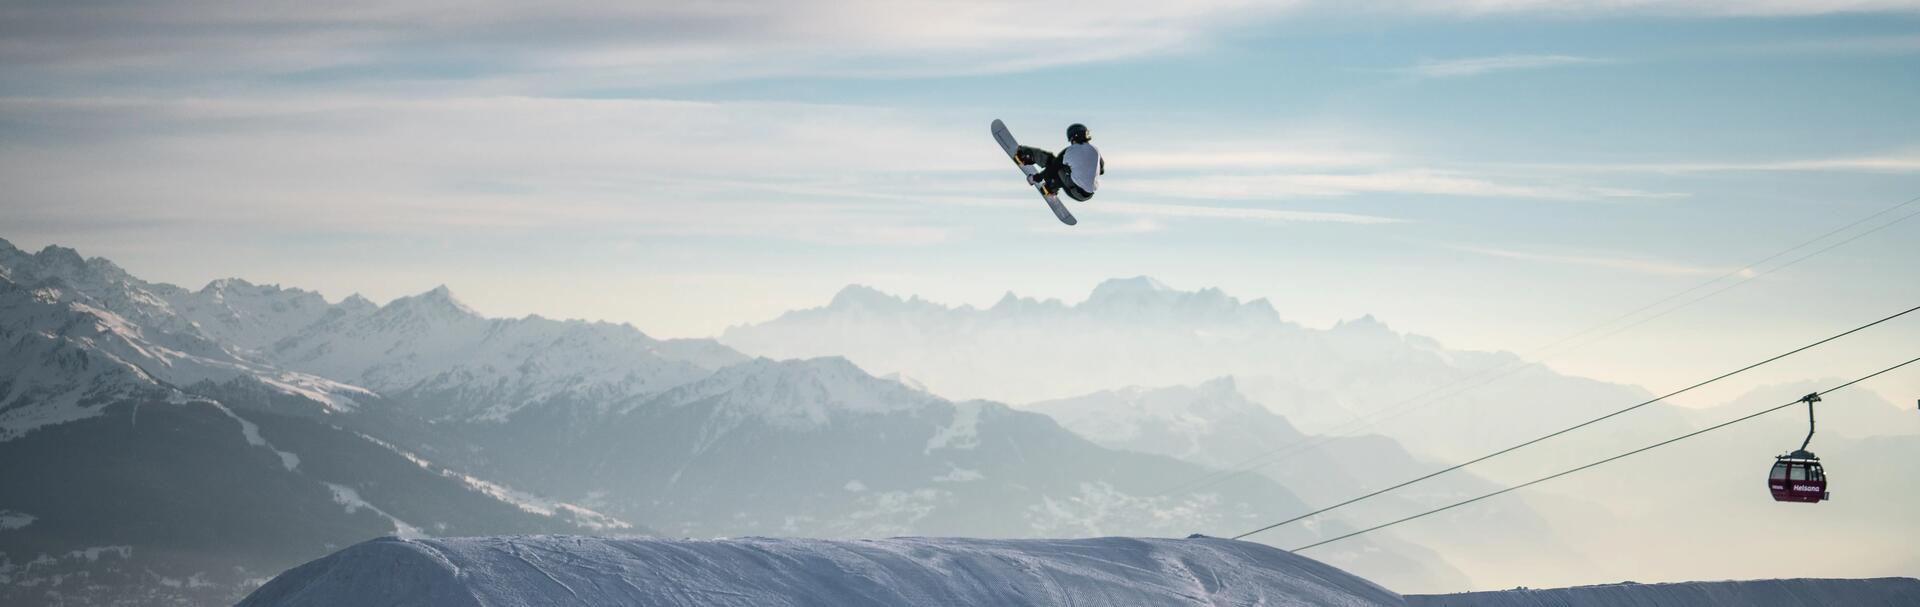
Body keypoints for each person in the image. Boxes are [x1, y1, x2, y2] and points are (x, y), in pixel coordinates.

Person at [1017, 123, 1104, 202]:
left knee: (1053, 162)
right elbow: (1101, 170)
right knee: (1067, 168)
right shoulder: (1095, 150)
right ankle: (1051, 186)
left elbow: (1053, 168)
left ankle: (1025, 156)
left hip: (1075, 191)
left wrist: (1035, 178)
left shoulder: (1071, 151)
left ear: (1073, 137)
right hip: (1089, 195)